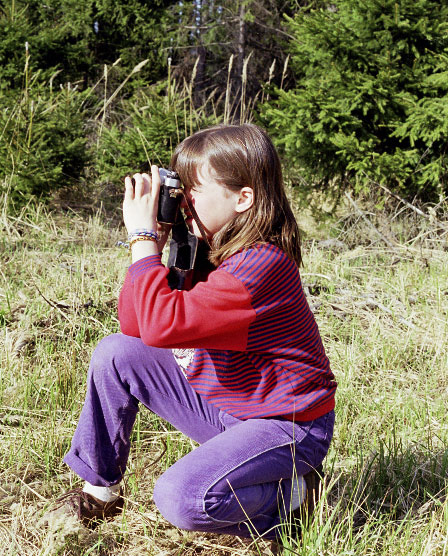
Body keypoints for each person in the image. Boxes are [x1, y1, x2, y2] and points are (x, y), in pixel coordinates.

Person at [58, 123, 337, 540]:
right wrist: (162, 245)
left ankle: (293, 496)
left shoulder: (261, 265)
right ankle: (100, 491)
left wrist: (142, 238)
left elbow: (160, 324)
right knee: (117, 353)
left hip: (289, 428)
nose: (182, 202)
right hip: (230, 411)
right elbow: (137, 328)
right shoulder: (208, 248)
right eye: (179, 190)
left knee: (182, 498)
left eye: (193, 190)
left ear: (243, 198)